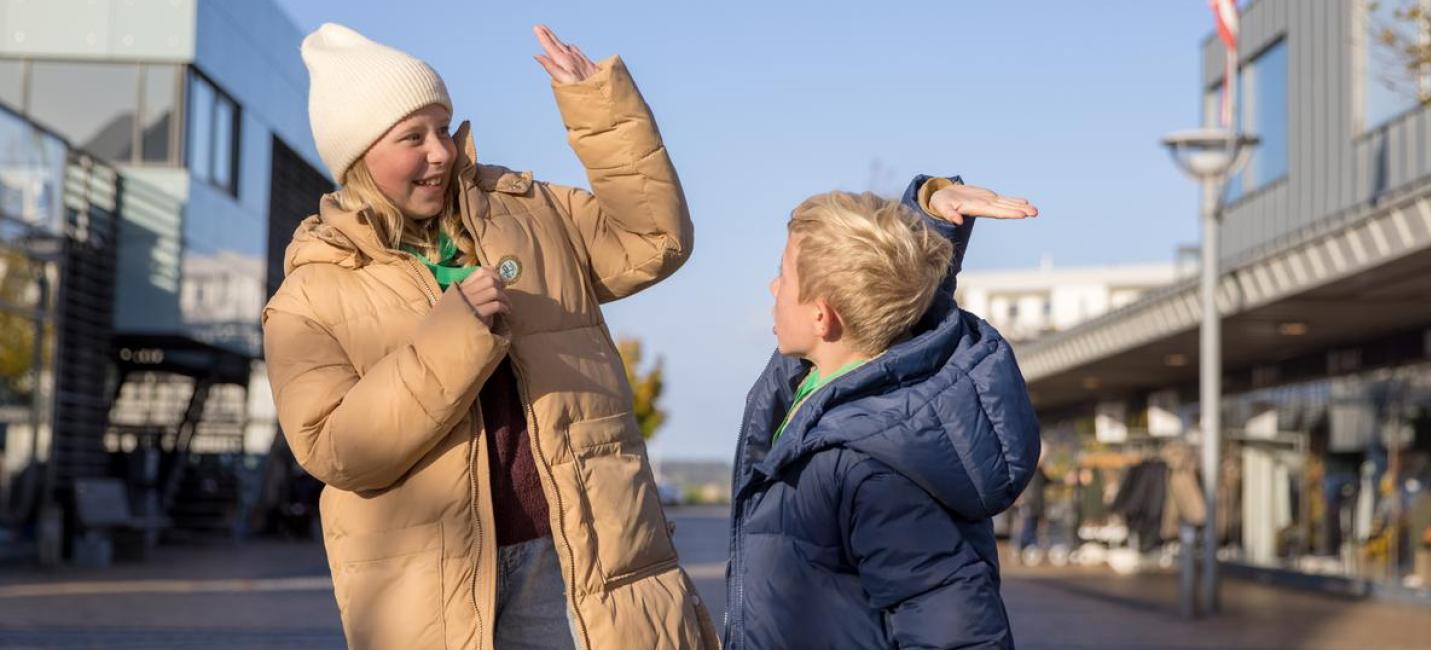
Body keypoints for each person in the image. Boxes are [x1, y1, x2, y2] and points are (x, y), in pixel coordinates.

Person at [263, 22, 715, 650]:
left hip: (571, 554)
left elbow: (652, 242)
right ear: (359, 156)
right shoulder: (310, 293)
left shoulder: (529, 213)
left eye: (444, 129)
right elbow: (336, 449)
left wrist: (602, 113)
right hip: (427, 590)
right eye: (412, 137)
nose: (442, 152)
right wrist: (456, 334)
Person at [723, 178, 1041, 649]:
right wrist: (928, 222)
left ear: (822, 318)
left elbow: (953, 628)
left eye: (784, 276)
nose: (772, 286)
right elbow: (891, 294)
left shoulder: (872, 469)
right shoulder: (807, 390)